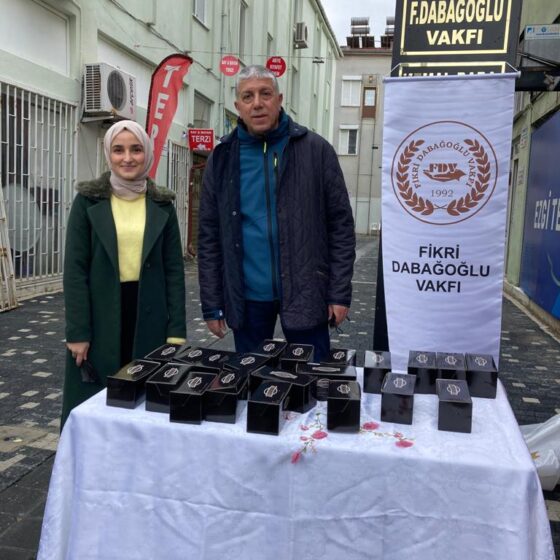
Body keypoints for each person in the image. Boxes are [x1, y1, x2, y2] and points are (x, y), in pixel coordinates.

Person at [198, 65, 355, 362]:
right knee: (253, 378)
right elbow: (209, 236)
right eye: (248, 96)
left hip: (307, 289)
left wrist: (338, 293)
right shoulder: (222, 158)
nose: (257, 103)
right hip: (247, 295)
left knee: (311, 377)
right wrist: (212, 304)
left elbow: (341, 227)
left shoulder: (315, 150)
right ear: (238, 106)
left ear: (279, 99)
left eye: (265, 94)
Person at [61, 120, 186, 428]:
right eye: (118, 150)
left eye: (136, 149)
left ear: (147, 153)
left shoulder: (162, 204)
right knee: (95, 405)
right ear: (108, 153)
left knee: (145, 406)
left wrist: (176, 331)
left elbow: (174, 272)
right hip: (100, 318)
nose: (127, 158)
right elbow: (75, 272)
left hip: (149, 316)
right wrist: (78, 332)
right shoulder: (88, 201)